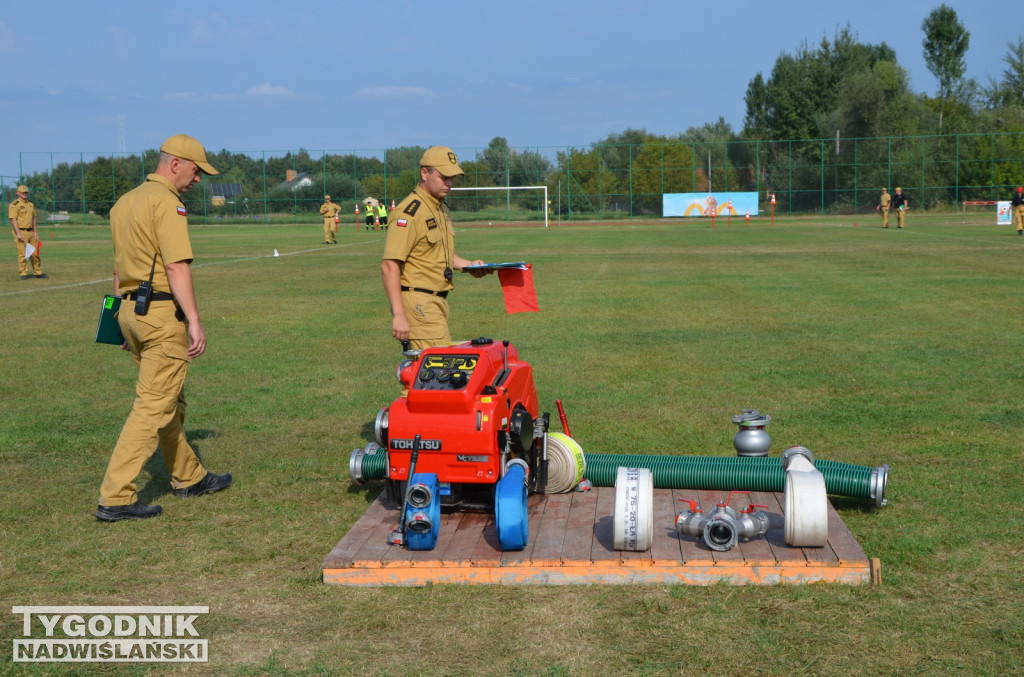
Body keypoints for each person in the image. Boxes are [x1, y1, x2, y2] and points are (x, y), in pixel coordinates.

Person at [96, 134, 232, 522]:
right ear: (175, 164)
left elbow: (119, 268)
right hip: (158, 315)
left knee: (167, 398)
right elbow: (176, 267)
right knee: (153, 405)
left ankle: (189, 476)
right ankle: (116, 494)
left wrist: (121, 320)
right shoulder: (167, 203)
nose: (197, 180)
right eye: (195, 170)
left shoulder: (124, 202)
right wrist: (194, 320)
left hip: (130, 311)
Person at [381, 146, 490, 351]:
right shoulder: (410, 212)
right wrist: (399, 315)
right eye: (444, 177)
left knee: (429, 376)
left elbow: (439, 254)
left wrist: (468, 265)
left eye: (453, 178)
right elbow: (389, 265)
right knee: (440, 370)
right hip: (420, 304)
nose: (449, 183)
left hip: (437, 302)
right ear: (424, 173)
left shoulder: (440, 207)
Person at [9, 184, 46, 280]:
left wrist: (36, 232)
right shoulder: (14, 205)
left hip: (31, 233)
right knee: (22, 254)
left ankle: (37, 272)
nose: (24, 194)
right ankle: (23, 273)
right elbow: (13, 220)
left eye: (26, 192)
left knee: (35, 254)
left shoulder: (31, 204)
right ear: (18, 193)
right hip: (21, 231)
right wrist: (18, 233)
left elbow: (34, 219)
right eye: (22, 192)